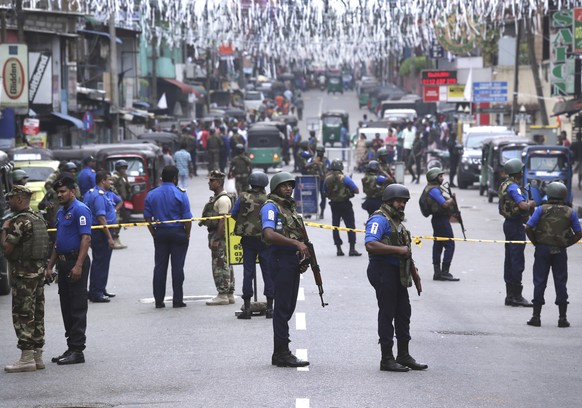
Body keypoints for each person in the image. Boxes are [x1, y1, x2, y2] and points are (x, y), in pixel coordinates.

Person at [365, 183, 427, 372]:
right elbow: (371, 244)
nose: (402, 205)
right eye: (399, 201)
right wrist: (398, 250)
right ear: (389, 201)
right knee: (387, 313)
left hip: (398, 272)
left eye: (404, 202)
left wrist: (414, 274)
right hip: (382, 270)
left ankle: (404, 355)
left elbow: (406, 251)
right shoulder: (379, 219)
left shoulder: (397, 222)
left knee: (403, 313)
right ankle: (387, 358)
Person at [261, 172, 310, 368]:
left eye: (290, 185)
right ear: (275, 188)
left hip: (290, 260)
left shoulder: (289, 209)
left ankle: (279, 351)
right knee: (282, 308)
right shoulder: (270, 208)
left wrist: (303, 256)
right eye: (284, 186)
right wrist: (296, 244)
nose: (288, 189)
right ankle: (282, 352)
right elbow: (269, 234)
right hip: (279, 259)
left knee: (288, 306)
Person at [2, 185, 50, 373]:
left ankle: (26, 358)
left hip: (24, 275)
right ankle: (37, 356)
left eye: (12, 198)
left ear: (20, 199)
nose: (9, 201)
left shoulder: (20, 221)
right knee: (37, 312)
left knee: (22, 314)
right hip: (37, 273)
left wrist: (4, 229)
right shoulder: (38, 218)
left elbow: (7, 249)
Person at [45, 175, 92, 365]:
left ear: (72, 191)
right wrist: (49, 266)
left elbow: (85, 239)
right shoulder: (60, 212)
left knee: (77, 306)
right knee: (66, 306)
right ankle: (71, 346)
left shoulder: (81, 210)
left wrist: (79, 265)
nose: (59, 195)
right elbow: (58, 242)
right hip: (63, 263)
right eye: (58, 192)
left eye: (63, 191)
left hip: (75, 261)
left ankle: (78, 351)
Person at [525, 182, 582, 327]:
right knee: (561, 282)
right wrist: (566, 244)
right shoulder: (570, 212)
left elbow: (529, 228)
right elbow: (579, 233)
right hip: (560, 251)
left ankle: (536, 317)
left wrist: (536, 242)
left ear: (549, 193)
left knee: (539, 282)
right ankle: (562, 318)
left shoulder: (540, 210)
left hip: (542, 250)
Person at [144, 165, 192, 309]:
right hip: (178, 233)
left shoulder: (152, 194)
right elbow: (187, 219)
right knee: (177, 268)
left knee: (159, 267)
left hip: (160, 233)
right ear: (175, 178)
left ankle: (159, 300)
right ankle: (177, 300)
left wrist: (153, 232)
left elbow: (147, 217)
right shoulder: (181, 193)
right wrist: (187, 233)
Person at [232, 171, 274, 319]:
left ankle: (247, 308)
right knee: (268, 272)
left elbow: (233, 214)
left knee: (248, 272)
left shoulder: (243, 197)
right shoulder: (268, 199)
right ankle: (270, 308)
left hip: (248, 240)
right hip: (265, 240)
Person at [498, 158, 536, 307]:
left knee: (509, 259)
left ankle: (510, 295)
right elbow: (523, 205)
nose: (522, 173)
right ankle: (516, 296)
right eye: (520, 170)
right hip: (515, 225)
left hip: (508, 223)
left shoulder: (504, 185)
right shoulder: (514, 187)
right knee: (517, 260)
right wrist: (531, 203)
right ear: (516, 172)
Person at [200, 170, 235, 305]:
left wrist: (217, 239)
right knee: (226, 263)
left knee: (220, 264)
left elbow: (223, 221)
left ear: (219, 182)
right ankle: (229, 293)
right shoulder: (219, 198)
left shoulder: (223, 200)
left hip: (220, 236)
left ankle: (222, 294)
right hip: (218, 235)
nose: (209, 183)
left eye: (212, 180)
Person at [421, 168, 460, 281]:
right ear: (434, 177)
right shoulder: (434, 190)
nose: (442, 178)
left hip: (438, 220)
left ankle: (437, 273)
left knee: (438, 245)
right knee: (449, 245)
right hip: (441, 220)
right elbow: (444, 204)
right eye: (440, 176)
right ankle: (444, 272)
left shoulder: (433, 188)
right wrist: (452, 200)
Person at [83, 171, 116, 303]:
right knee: (100, 262)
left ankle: (100, 289)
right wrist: (109, 237)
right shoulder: (99, 196)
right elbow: (101, 218)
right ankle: (96, 293)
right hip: (101, 233)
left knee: (101, 262)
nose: (111, 182)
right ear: (103, 181)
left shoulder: (91, 192)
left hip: (97, 231)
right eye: (109, 180)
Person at [324, 159, 361, 256]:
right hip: (345, 205)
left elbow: (324, 192)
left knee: (335, 226)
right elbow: (356, 190)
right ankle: (352, 249)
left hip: (334, 205)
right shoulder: (345, 178)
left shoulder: (327, 179)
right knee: (350, 226)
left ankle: (338, 249)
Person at [111, 159, 131, 249]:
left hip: (122, 202)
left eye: (124, 168)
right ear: (118, 168)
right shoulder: (115, 177)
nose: (123, 170)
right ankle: (114, 239)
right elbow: (110, 187)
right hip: (116, 202)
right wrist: (117, 196)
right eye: (122, 168)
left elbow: (128, 189)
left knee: (122, 219)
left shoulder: (122, 177)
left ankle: (117, 238)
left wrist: (126, 179)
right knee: (117, 220)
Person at [305, 145, 330, 219]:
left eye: (321, 152)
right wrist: (314, 162)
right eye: (318, 152)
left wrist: (325, 176)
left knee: (323, 196)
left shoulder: (326, 160)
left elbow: (330, 169)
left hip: (322, 181)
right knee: (312, 197)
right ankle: (310, 212)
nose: (320, 154)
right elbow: (306, 165)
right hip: (313, 181)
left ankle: (322, 212)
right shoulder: (312, 159)